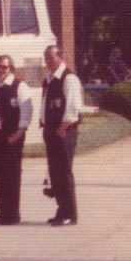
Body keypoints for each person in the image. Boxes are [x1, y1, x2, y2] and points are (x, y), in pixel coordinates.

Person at [0, 55, 33, 225]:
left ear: (11, 68)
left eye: (4, 67)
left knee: (11, 175)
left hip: (12, 136)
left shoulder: (19, 86)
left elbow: (27, 112)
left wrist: (17, 134)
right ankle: (3, 213)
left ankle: (12, 214)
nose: (0, 70)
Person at [41, 46, 83, 226]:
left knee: (64, 173)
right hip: (51, 131)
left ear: (60, 57)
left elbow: (74, 106)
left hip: (64, 131)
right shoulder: (49, 78)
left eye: (51, 57)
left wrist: (63, 127)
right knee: (55, 173)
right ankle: (61, 210)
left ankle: (70, 214)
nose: (48, 61)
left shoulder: (69, 78)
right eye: (46, 58)